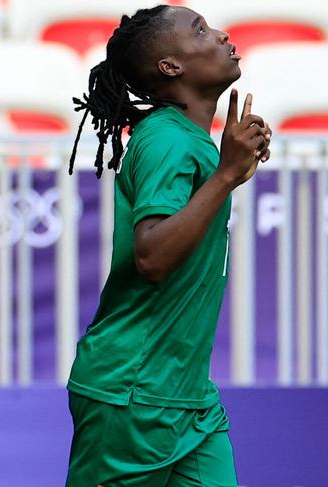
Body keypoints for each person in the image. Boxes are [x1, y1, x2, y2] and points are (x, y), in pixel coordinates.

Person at [65, 4, 272, 486]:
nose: (220, 34)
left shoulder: (191, 141)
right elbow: (152, 256)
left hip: (189, 398)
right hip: (132, 395)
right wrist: (225, 175)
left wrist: (231, 170)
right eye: (200, 30)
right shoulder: (166, 141)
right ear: (170, 66)